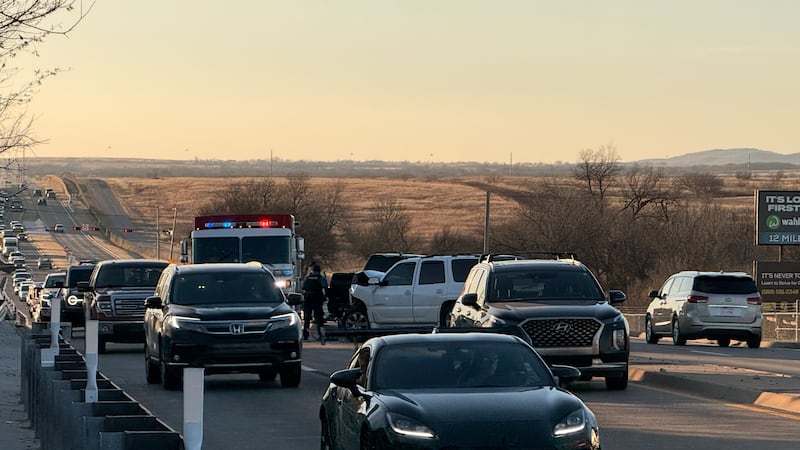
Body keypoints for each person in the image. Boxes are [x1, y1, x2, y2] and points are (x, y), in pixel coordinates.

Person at [302, 263, 327, 344]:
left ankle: (305, 335)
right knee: (319, 317)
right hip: (317, 298)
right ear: (319, 271)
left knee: (307, 318)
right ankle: (321, 335)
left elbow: (303, 287)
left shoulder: (308, 277)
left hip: (308, 298)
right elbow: (325, 286)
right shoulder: (320, 277)